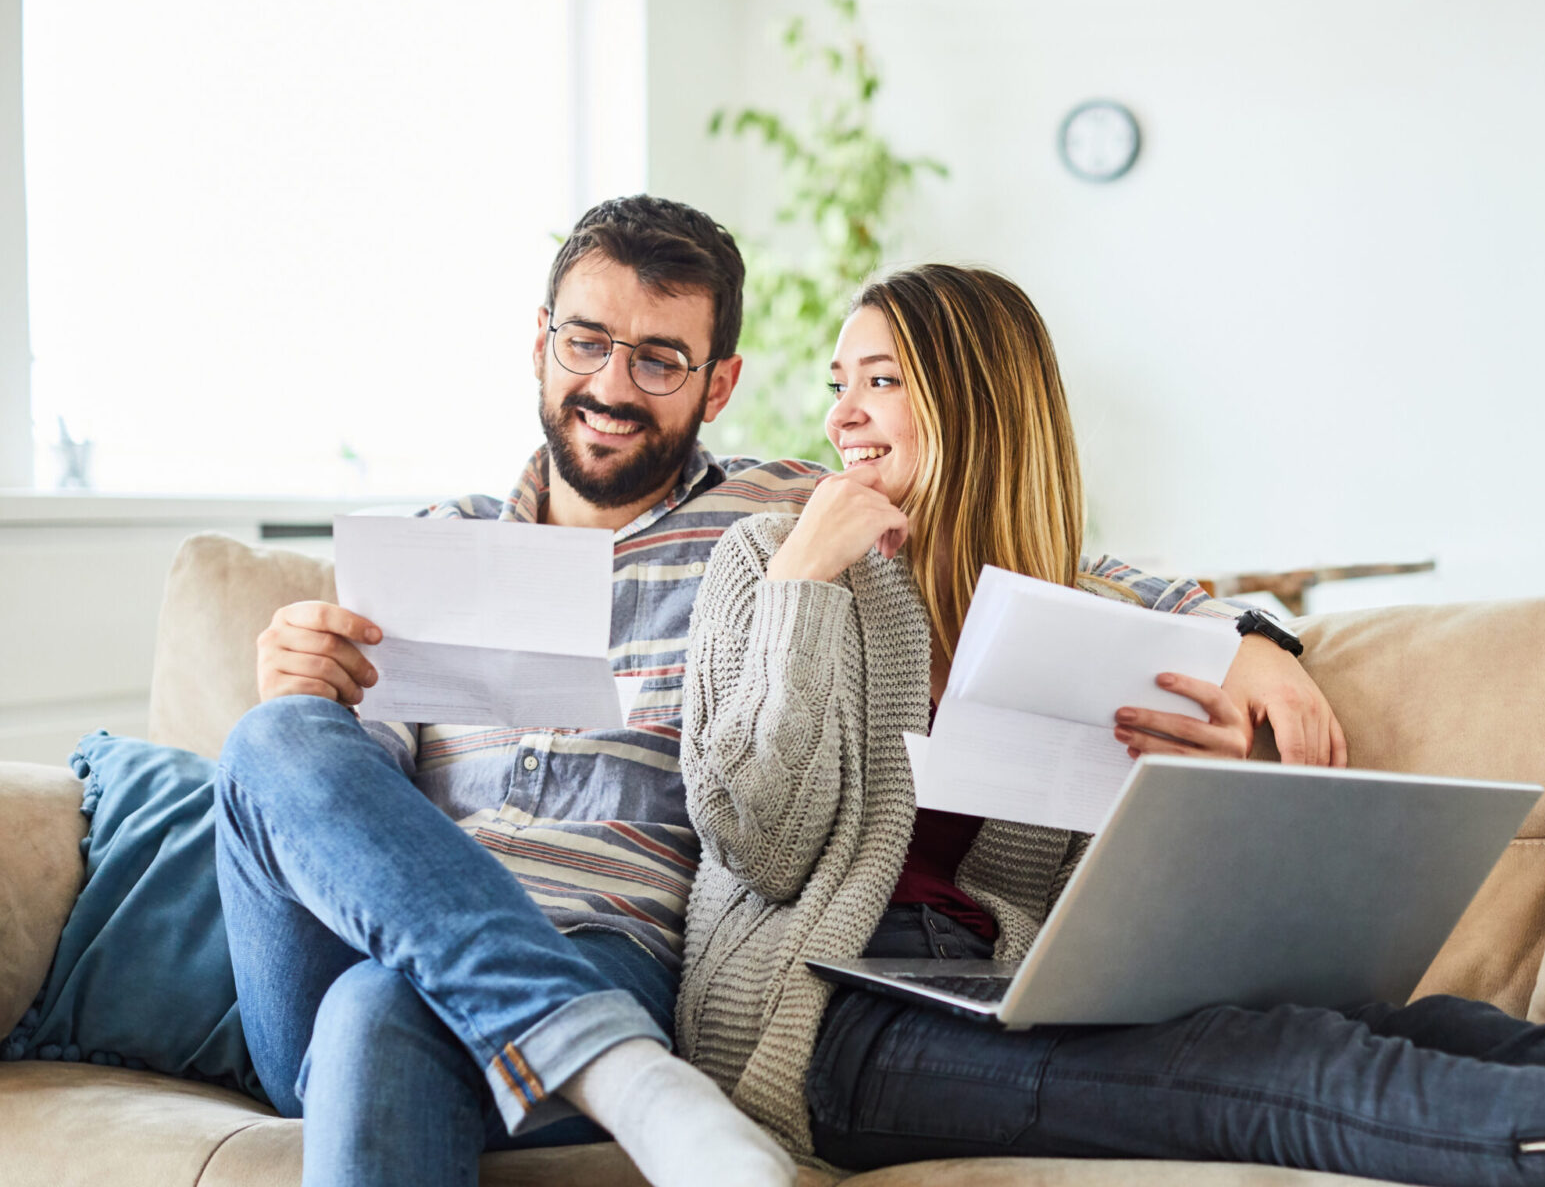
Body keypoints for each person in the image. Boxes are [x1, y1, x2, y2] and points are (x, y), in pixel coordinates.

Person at [675, 263, 1545, 1187]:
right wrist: (803, 591)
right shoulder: (771, 565)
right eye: (835, 382)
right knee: (1299, 1067)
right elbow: (763, 841)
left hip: (1010, 982)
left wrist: (1218, 720)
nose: (840, 415)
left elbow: (1176, 608)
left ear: (976, 399)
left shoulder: (1063, 597)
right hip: (838, 1025)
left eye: (880, 382)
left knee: (1445, 1027)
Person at [209, 202, 1341, 1186]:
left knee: (377, 1011)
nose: (610, 384)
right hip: (381, 933)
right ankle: (613, 1070)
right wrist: (317, 695)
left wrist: (1244, 635)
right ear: (539, 344)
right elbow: (333, 805)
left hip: (601, 941)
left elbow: (1001, 530)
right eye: (585, 341)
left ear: (720, 381)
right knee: (277, 735)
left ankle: (590, 1040)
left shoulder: (784, 516)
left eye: (658, 358)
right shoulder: (427, 547)